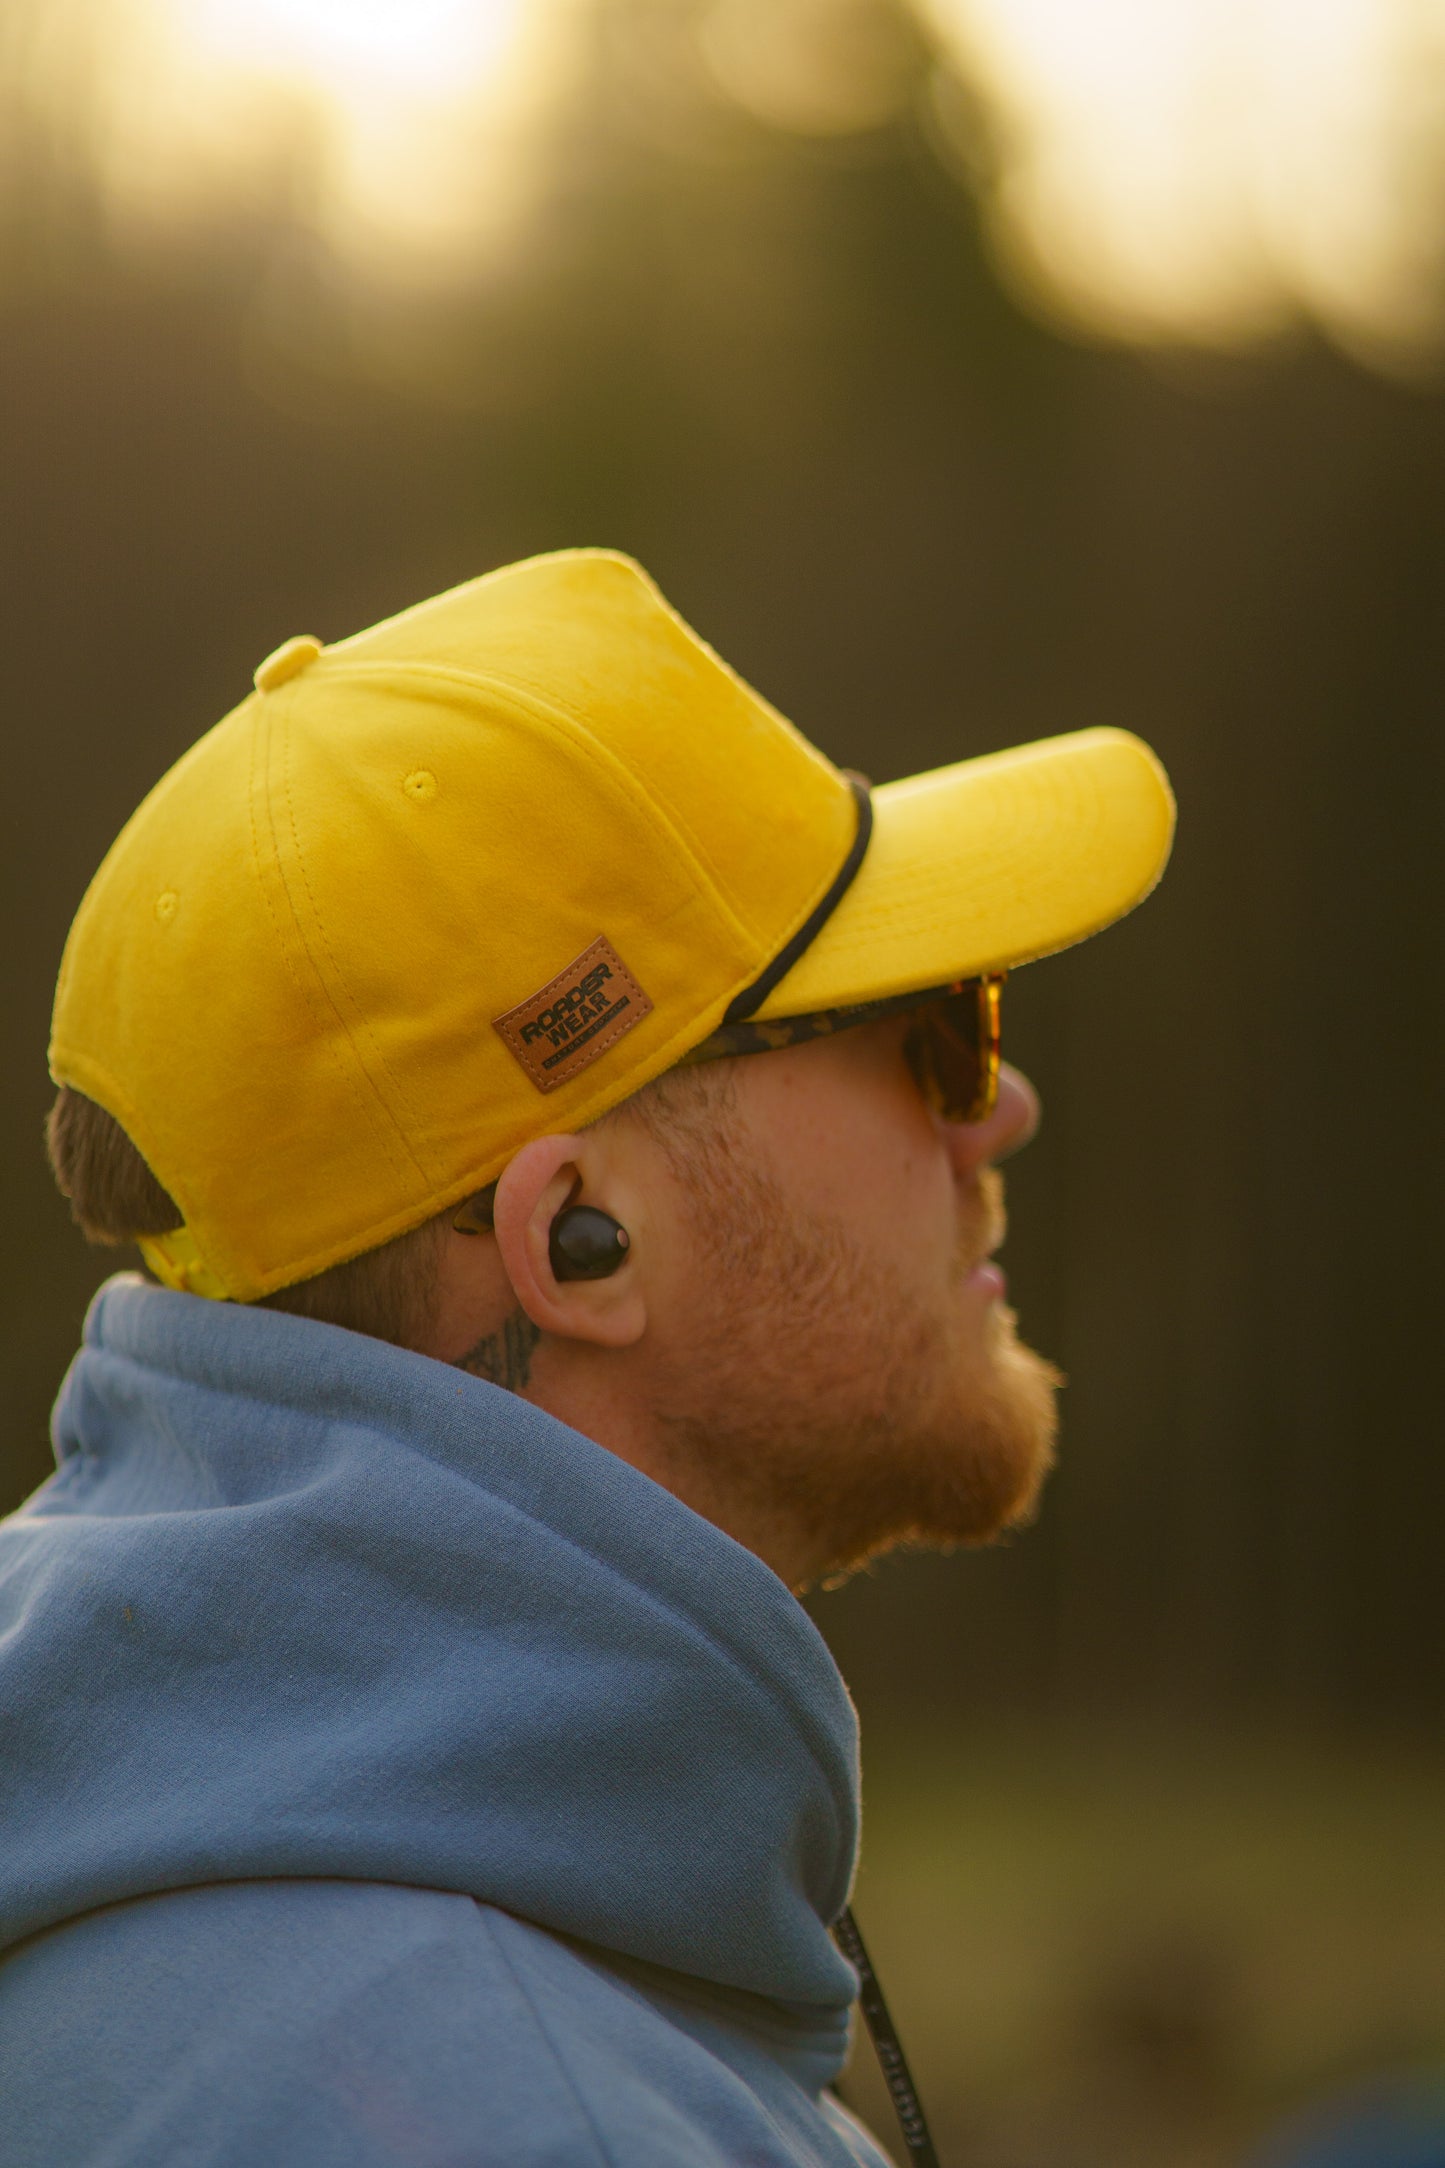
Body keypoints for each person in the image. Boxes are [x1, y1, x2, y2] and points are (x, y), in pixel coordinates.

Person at [0, 549, 1174, 2166]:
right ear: (580, 1239)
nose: (996, 1107)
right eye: (929, 1027)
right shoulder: (517, 2113)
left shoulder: (119, 1898)